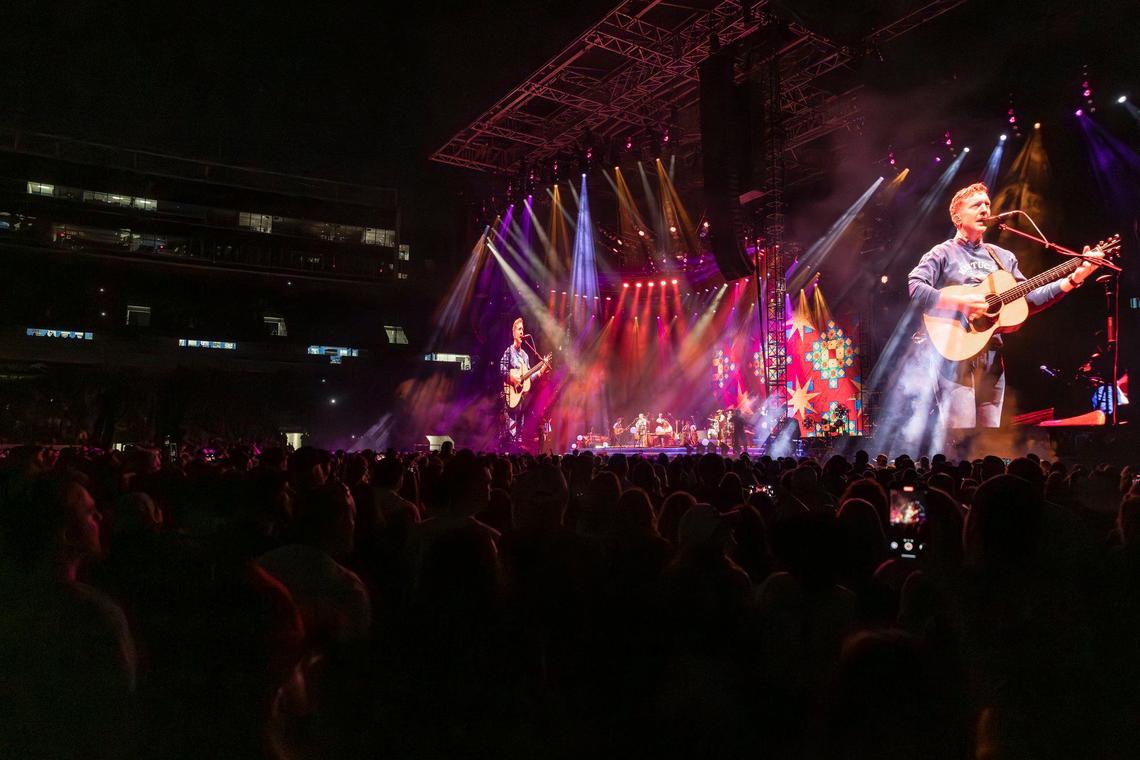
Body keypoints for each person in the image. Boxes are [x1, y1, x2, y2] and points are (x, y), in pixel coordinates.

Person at [908, 182, 1103, 428]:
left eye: (987, 204)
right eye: (976, 205)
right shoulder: (942, 253)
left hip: (992, 354)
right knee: (962, 435)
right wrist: (962, 302)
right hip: (953, 352)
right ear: (957, 217)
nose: (984, 210)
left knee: (989, 436)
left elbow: (1029, 300)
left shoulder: (1002, 257)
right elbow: (915, 286)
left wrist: (1075, 278)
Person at [499, 317, 547, 451]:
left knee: (519, 430)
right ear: (513, 332)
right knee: (510, 428)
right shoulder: (509, 352)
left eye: (523, 330)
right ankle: (507, 448)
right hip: (510, 397)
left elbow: (528, 379)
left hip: (521, 400)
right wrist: (514, 380)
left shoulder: (525, 355)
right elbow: (501, 369)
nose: (521, 332)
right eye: (519, 329)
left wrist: (541, 370)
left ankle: (516, 448)